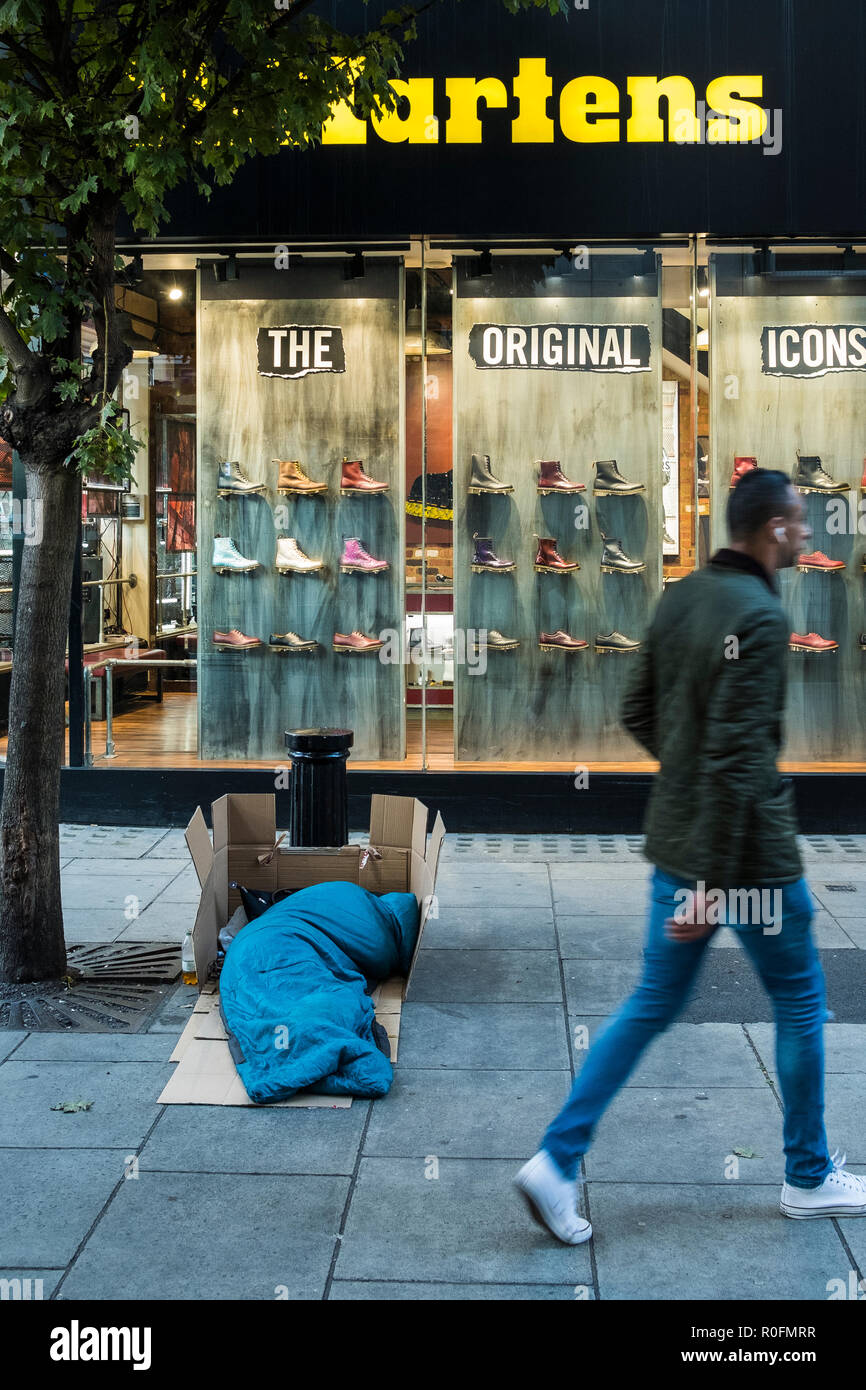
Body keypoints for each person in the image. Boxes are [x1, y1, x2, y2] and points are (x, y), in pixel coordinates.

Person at [515, 468, 866, 1243]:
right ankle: (808, 1176)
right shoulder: (762, 618)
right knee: (803, 1003)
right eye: (800, 521)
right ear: (772, 528)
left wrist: (684, 795)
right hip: (748, 862)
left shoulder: (680, 597)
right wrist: (712, 882)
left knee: (650, 1005)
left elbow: (638, 707)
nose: (807, 533)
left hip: (680, 841)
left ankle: (556, 1161)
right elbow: (742, 761)